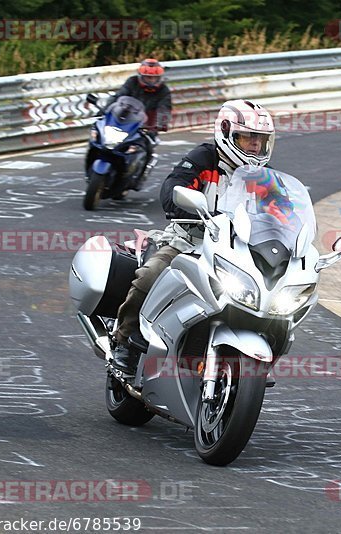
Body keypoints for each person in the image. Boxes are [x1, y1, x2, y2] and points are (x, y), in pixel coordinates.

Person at [111, 99, 276, 375]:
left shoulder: (264, 178)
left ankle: (255, 359)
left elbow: (281, 213)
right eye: (248, 138)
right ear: (226, 133)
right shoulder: (204, 158)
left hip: (237, 251)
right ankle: (125, 341)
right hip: (189, 241)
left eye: (260, 140)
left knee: (275, 293)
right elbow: (173, 186)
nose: (255, 146)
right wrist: (184, 202)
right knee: (152, 275)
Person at [107, 58, 172, 180]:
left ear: (159, 77)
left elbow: (165, 109)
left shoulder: (163, 90)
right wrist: (106, 110)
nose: (151, 80)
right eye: (148, 77)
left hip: (147, 126)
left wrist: (160, 123)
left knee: (146, 147)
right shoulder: (132, 82)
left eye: (154, 78)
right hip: (126, 120)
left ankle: (138, 175)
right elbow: (119, 96)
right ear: (141, 76)